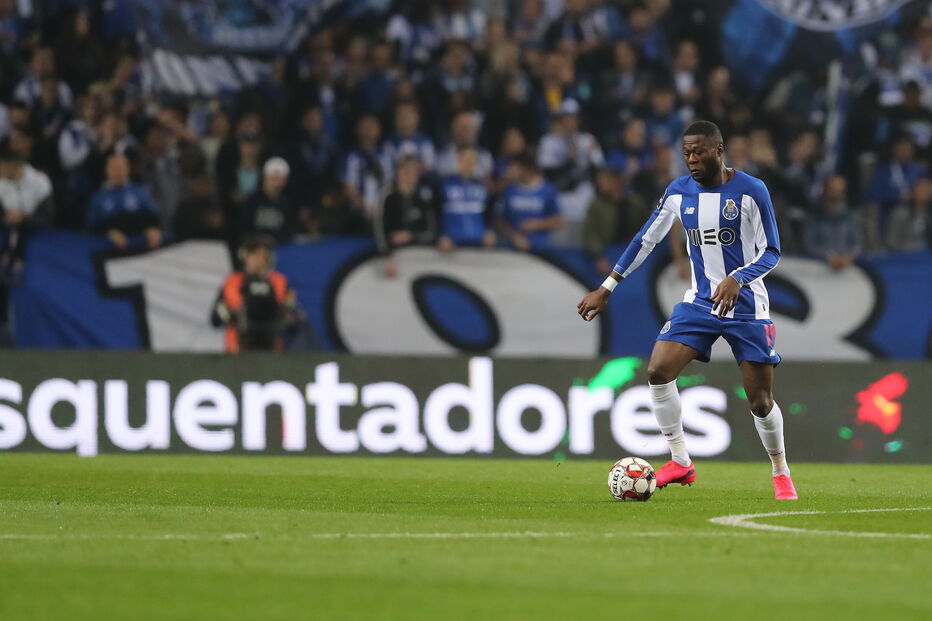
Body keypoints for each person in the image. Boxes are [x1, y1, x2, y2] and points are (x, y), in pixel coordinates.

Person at [576, 120, 797, 501]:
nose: (691, 160)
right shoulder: (678, 193)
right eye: (687, 153)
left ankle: (780, 471)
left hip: (747, 308)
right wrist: (607, 286)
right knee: (658, 370)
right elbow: (644, 240)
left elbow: (772, 251)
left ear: (719, 150)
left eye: (699, 152)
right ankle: (680, 460)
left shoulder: (751, 190)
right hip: (700, 302)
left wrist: (739, 277)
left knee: (760, 401)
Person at [211, 235, 299, 354]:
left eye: (263, 255)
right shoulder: (233, 282)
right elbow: (215, 320)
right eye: (254, 254)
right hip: (238, 349)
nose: (258, 259)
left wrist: (286, 312)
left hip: (271, 349)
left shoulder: (280, 282)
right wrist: (229, 313)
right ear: (244, 256)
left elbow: (294, 325)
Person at [376, 154, 437, 276]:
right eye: (405, 171)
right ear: (398, 172)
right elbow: (379, 229)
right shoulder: (388, 198)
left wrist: (411, 236)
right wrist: (386, 255)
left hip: (418, 260)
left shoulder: (422, 200)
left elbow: (432, 232)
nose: (408, 176)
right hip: (394, 259)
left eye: (412, 172)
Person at [86, 153, 162, 249]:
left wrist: (153, 228)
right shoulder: (98, 198)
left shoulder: (140, 191)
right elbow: (91, 228)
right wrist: (108, 233)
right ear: (107, 170)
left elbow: (153, 217)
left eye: (123, 166)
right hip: (110, 250)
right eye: (116, 167)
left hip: (141, 247)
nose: (119, 170)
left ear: (128, 169)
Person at [496, 152, 562, 250]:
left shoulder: (547, 189)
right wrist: (514, 236)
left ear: (525, 168)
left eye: (514, 167)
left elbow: (558, 220)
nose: (510, 170)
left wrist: (536, 224)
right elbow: (500, 221)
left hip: (541, 247)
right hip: (512, 246)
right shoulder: (509, 190)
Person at [438, 147, 494, 252]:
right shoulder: (444, 184)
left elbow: (489, 212)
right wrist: (441, 235)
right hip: (452, 244)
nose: (469, 163)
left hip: (479, 243)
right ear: (458, 161)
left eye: (473, 160)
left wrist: (489, 231)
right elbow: (435, 212)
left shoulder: (482, 186)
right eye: (466, 159)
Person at [237, 157, 296, 245]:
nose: (278, 182)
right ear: (266, 177)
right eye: (275, 177)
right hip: (254, 249)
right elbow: (244, 229)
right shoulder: (252, 201)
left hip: (279, 249)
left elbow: (289, 232)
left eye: (281, 178)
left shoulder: (287, 203)